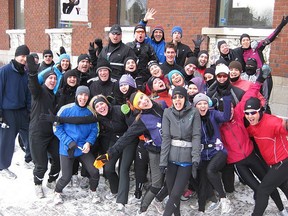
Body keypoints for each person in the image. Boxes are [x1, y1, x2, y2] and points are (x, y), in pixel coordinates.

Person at [95, 91, 167, 214]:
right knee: (157, 184)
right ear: (138, 107)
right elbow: (126, 137)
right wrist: (108, 155)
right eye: (139, 103)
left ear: (146, 95)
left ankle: (159, 200)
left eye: (143, 98)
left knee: (175, 180)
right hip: (156, 151)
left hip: (173, 149)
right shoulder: (142, 120)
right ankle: (143, 209)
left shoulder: (162, 105)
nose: (143, 101)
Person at [53, 86, 100, 204]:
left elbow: (95, 130)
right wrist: (68, 141)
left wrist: (89, 143)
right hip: (67, 147)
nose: (83, 98)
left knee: (94, 171)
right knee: (66, 177)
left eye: (85, 95)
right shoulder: (65, 109)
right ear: (76, 95)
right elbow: (56, 128)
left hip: (83, 148)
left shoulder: (91, 112)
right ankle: (57, 192)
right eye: (81, 94)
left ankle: (93, 191)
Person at [160, 86, 201, 216]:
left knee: (176, 193)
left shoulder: (194, 112)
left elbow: (196, 136)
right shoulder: (167, 112)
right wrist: (163, 161)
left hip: (186, 160)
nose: (178, 100)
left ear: (185, 99)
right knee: (172, 193)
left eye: (181, 97)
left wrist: (195, 158)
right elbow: (166, 138)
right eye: (175, 97)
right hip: (171, 158)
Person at [243, 96, 288, 216]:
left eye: (253, 112)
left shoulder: (273, 122)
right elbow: (249, 132)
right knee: (284, 186)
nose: (250, 116)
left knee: (263, 190)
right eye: (247, 113)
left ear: (260, 111)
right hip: (275, 163)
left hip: (283, 162)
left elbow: (283, 127)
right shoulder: (252, 124)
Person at [26, 55, 60, 198]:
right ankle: (37, 185)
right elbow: (33, 85)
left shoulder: (55, 95)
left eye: (55, 79)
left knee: (58, 160)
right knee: (41, 165)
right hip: (37, 134)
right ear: (45, 80)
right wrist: (33, 73)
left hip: (51, 134)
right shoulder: (38, 93)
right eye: (50, 78)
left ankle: (52, 181)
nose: (52, 81)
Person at [193, 92, 232, 214]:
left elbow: (226, 117)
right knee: (203, 180)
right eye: (200, 104)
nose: (203, 106)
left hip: (218, 151)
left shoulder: (213, 114)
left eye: (205, 103)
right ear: (195, 106)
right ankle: (201, 209)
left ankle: (223, 199)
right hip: (203, 154)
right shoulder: (193, 119)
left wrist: (226, 99)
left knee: (211, 171)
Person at [0, 45, 31, 179]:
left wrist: (29, 110)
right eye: (22, 56)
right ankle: (3, 166)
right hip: (8, 112)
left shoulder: (25, 73)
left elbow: (28, 93)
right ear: (16, 55)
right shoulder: (5, 71)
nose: (24, 59)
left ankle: (29, 159)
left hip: (23, 111)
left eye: (26, 57)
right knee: (7, 140)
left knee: (30, 135)